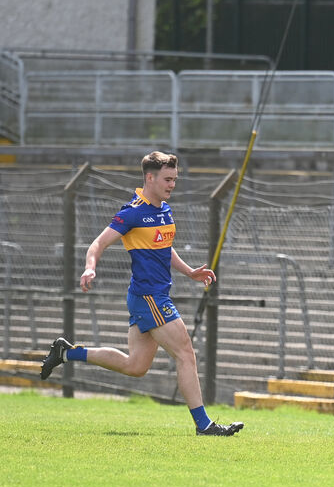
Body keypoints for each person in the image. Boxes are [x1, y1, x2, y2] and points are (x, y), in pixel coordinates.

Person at [39, 151, 242, 436]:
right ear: (150, 177)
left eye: (175, 179)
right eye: (168, 179)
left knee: (135, 366)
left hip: (146, 295)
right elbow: (97, 244)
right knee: (186, 353)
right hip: (149, 297)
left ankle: (68, 353)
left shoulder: (163, 209)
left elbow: (163, 246)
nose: (172, 184)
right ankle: (204, 425)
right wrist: (89, 268)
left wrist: (189, 272)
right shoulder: (133, 212)